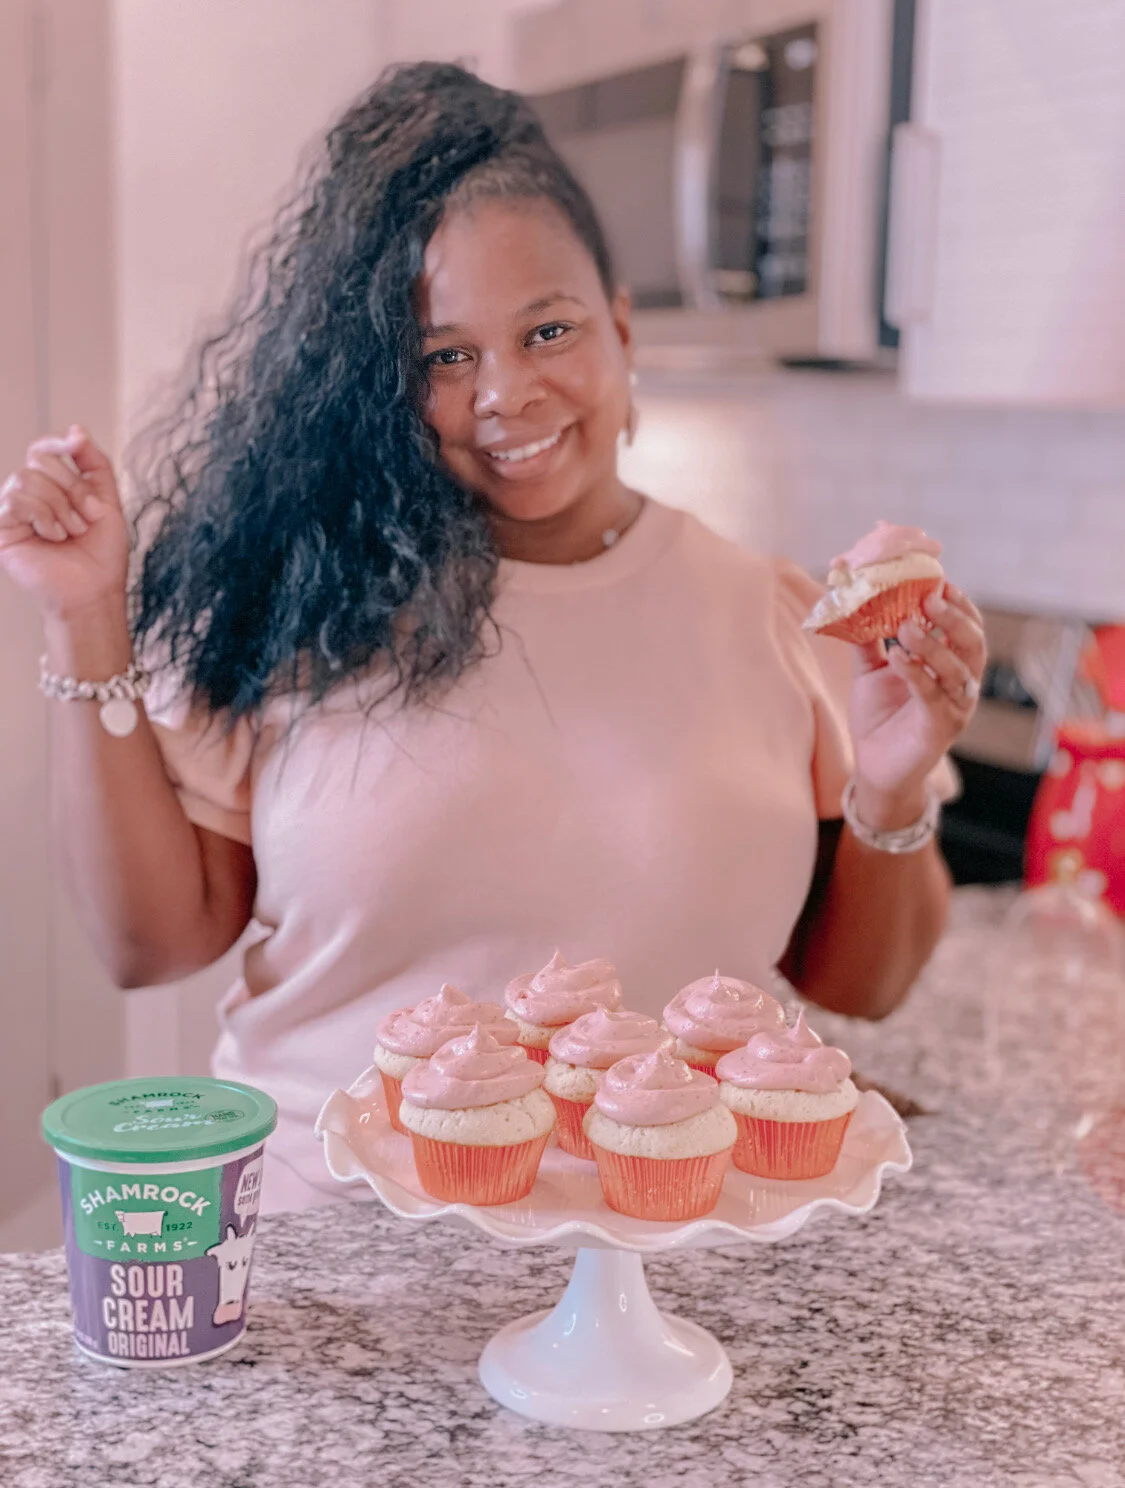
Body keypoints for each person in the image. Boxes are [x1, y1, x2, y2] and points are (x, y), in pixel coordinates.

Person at [0, 64, 985, 1211]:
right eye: (446, 356)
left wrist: (898, 781)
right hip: (335, 1264)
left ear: (620, 331)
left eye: (549, 329)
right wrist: (85, 615)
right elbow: (149, 947)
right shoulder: (309, 605)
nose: (505, 393)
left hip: (659, 1283)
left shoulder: (774, 615)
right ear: (383, 385)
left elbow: (859, 986)